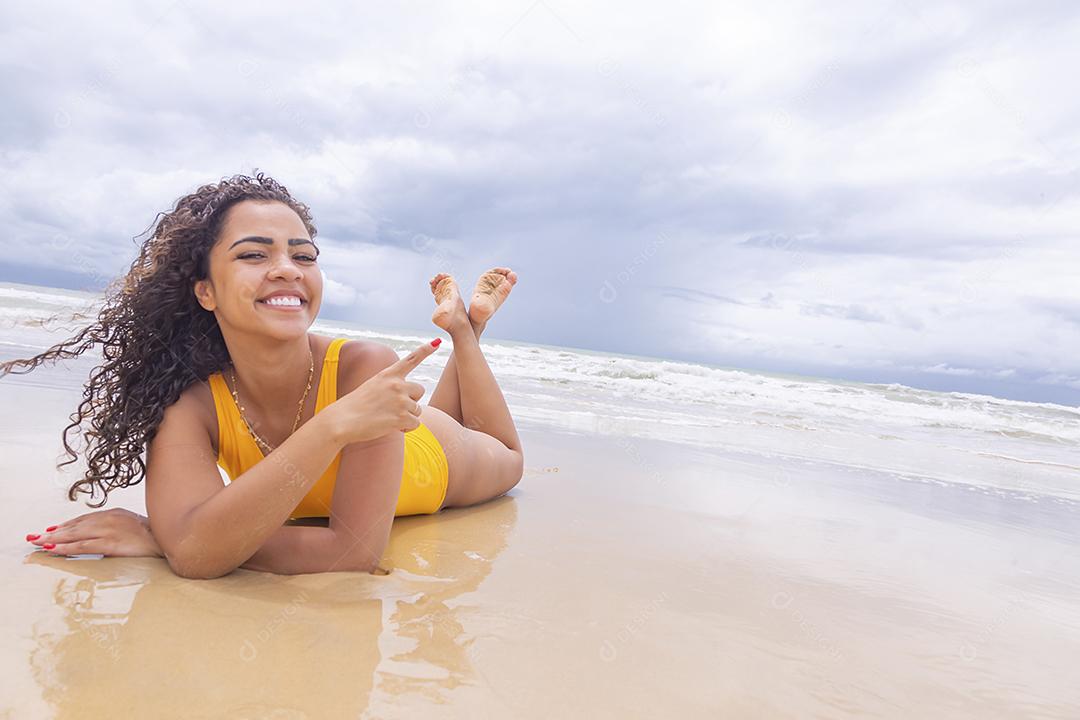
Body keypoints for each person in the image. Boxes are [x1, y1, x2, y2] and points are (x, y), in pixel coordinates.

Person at [8, 171, 524, 577]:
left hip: (433, 458)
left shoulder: (366, 366)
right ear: (204, 290)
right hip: (385, 422)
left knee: (507, 455)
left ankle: (463, 328)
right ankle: (466, 327)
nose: (287, 268)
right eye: (254, 254)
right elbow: (192, 549)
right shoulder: (189, 404)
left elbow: (351, 553)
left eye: (303, 255)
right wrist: (183, 542)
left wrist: (171, 538)